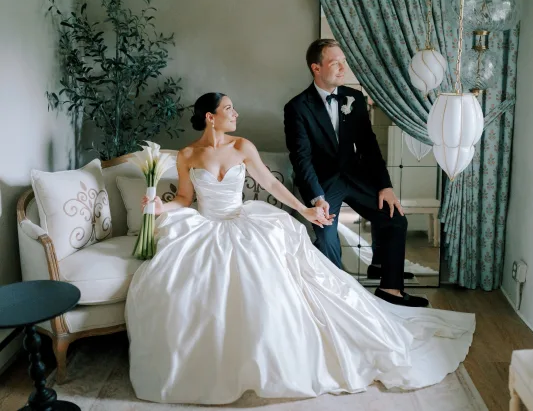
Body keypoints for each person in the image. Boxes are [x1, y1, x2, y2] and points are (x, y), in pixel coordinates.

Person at [125, 92, 475, 405]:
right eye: (229, 108)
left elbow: (271, 183)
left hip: (242, 221)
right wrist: (160, 208)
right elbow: (185, 199)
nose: (236, 113)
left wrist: (305, 209)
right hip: (206, 226)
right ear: (210, 117)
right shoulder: (187, 154)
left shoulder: (242, 147)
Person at [284, 39, 425, 307]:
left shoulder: (354, 98)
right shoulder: (297, 107)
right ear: (316, 67)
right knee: (326, 237)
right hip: (323, 183)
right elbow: (301, 158)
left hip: (356, 177)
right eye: (334, 62)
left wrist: (385, 186)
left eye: (343, 61)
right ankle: (339, 297)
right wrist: (316, 197)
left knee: (395, 218)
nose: (342, 67)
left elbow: (369, 146)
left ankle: (390, 289)